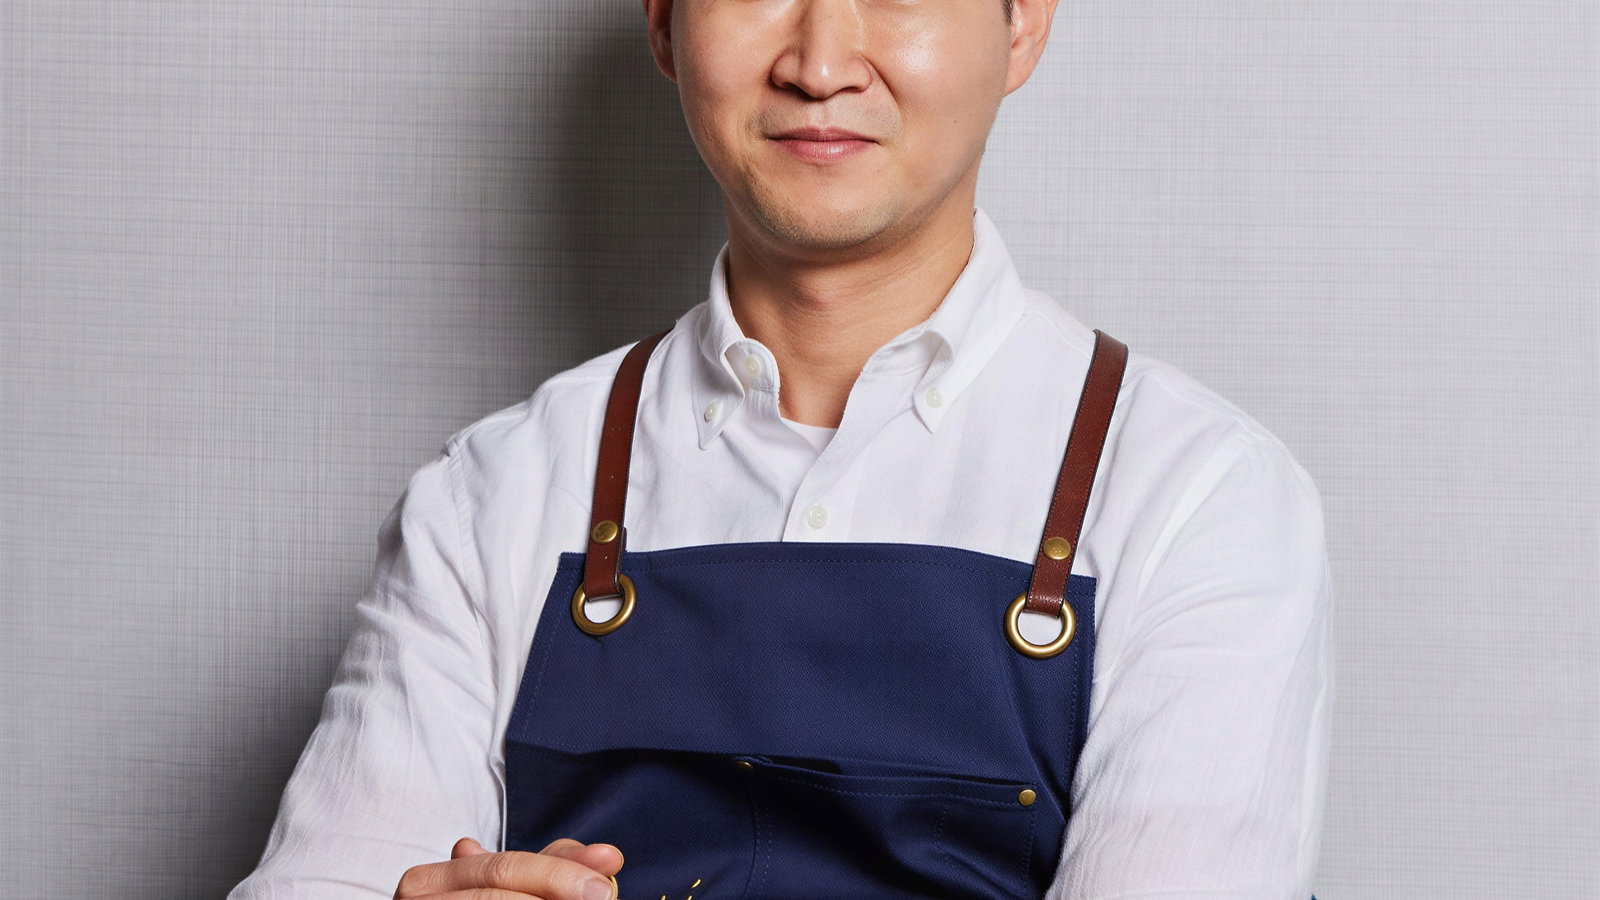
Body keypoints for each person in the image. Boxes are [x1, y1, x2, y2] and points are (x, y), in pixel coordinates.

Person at [230, 0, 1331, 896]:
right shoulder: (490, 494)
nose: (820, 62)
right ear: (663, 22)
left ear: (1023, 24)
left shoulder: (1197, 497)